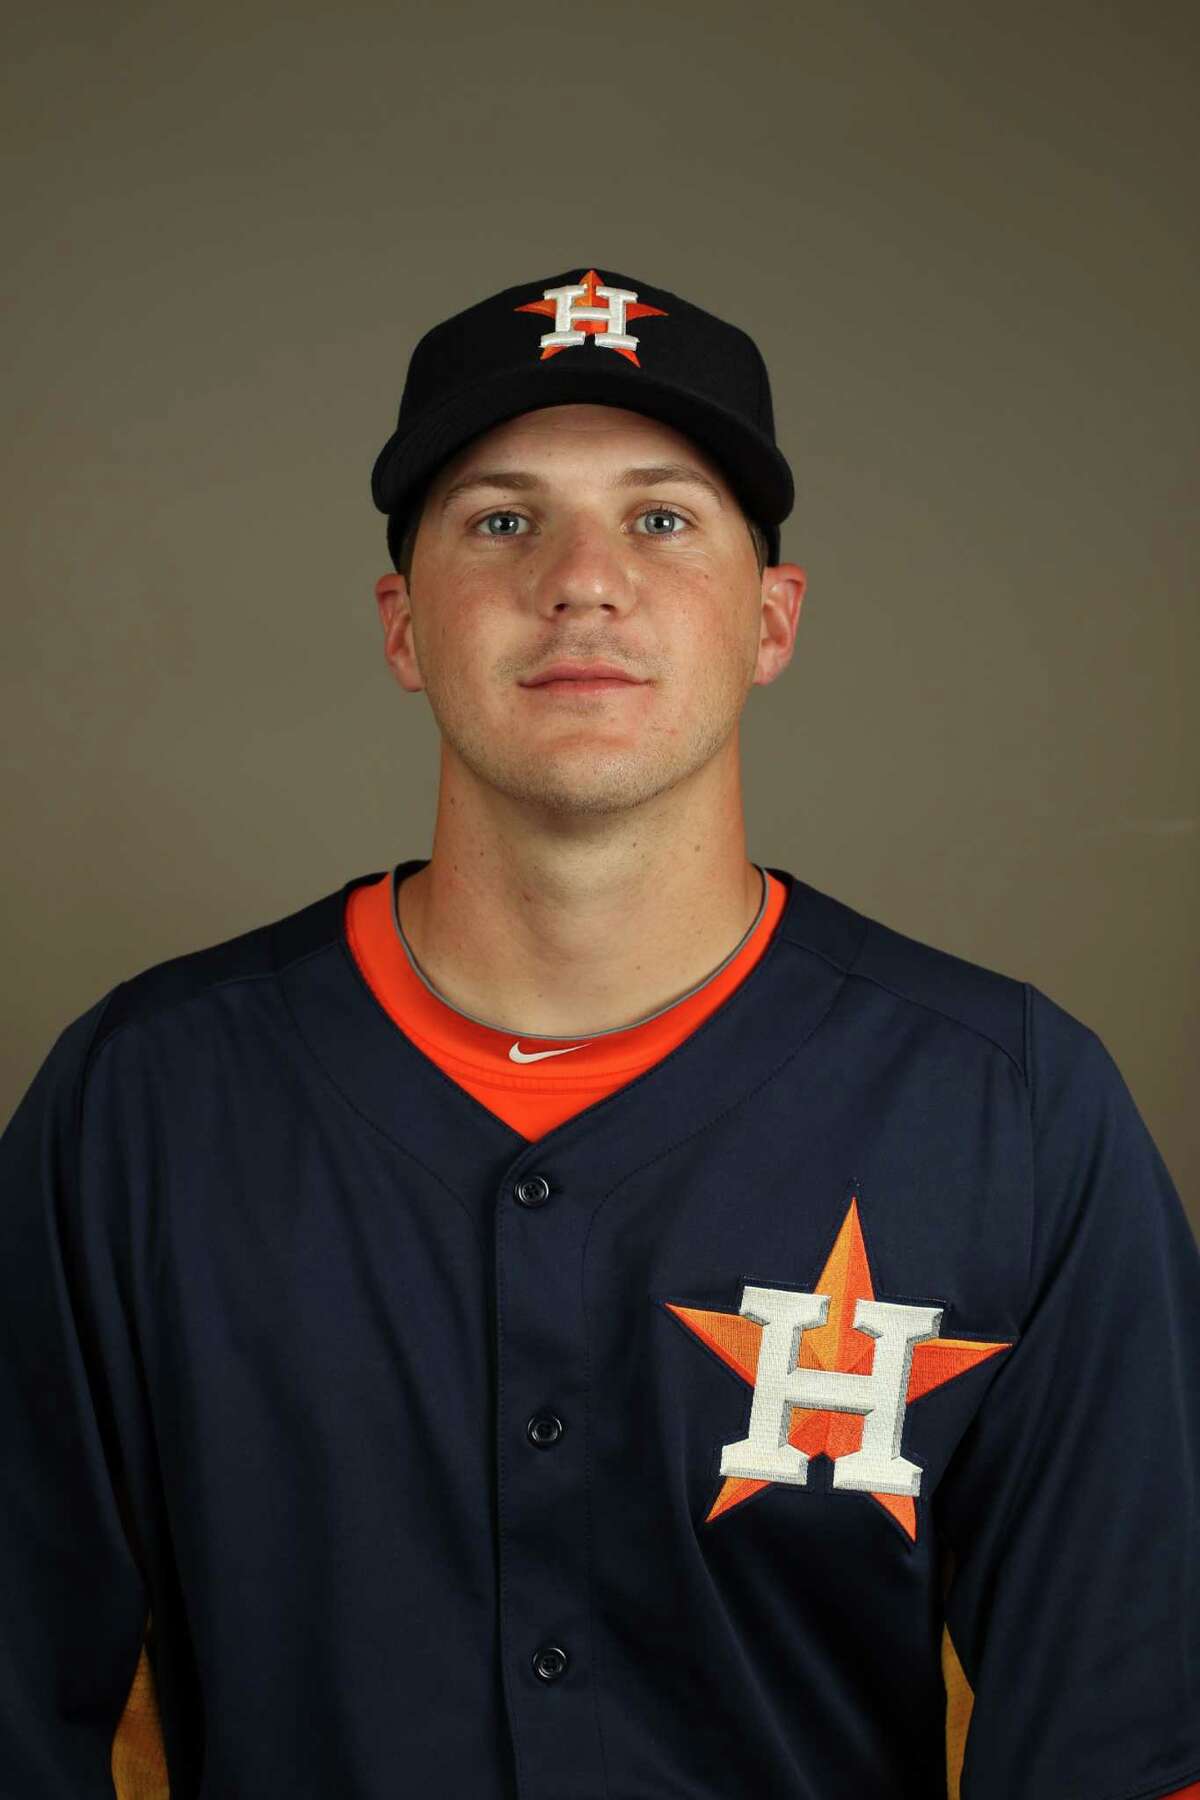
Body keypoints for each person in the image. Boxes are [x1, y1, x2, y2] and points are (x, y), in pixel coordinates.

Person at [1, 266, 1197, 1800]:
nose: (582, 580)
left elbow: (1132, 1739)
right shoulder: (145, 1104)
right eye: (501, 520)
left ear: (772, 620)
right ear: (402, 625)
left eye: (662, 519)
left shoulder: (1006, 1110)